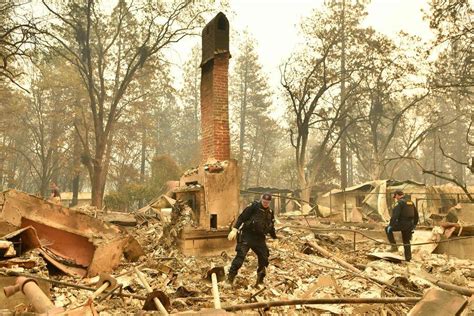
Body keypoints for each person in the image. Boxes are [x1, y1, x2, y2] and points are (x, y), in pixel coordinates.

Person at [227, 192, 277, 286]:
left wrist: (275, 238)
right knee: (240, 257)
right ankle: (229, 280)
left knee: (264, 258)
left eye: (267, 202)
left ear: (269, 202)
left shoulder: (270, 212)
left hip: (259, 238)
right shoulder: (253, 207)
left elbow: (271, 226)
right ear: (262, 199)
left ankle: (260, 282)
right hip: (247, 235)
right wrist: (235, 229)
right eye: (264, 201)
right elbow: (242, 217)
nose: (265, 203)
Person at [385, 190, 419, 262]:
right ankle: (408, 258)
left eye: (395, 197)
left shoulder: (400, 203)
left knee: (387, 228)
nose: (396, 198)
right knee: (406, 241)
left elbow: (395, 216)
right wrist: (414, 224)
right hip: (410, 225)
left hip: (402, 224)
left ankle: (394, 246)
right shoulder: (410, 202)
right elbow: (416, 214)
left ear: (397, 195)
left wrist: (391, 225)